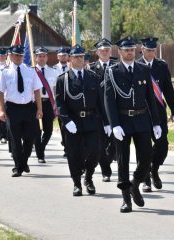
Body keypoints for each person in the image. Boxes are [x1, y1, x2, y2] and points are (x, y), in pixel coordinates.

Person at [104, 36, 162, 213]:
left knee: (146, 157)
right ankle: (126, 199)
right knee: (123, 161)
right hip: (122, 121)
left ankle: (135, 184)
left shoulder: (143, 69)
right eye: (126, 50)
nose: (129, 52)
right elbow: (109, 99)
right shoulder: (112, 71)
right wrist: (114, 124)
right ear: (120, 52)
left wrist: (156, 123)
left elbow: (150, 98)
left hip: (142, 119)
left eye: (131, 49)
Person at [55, 44, 108, 196]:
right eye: (76, 56)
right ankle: (77, 183)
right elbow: (60, 104)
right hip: (73, 121)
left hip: (91, 120)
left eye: (82, 56)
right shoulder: (63, 79)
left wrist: (107, 122)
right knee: (73, 154)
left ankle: (89, 177)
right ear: (70, 58)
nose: (80, 59)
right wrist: (66, 120)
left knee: (96, 151)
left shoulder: (93, 77)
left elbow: (100, 102)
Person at [137, 37, 174, 192]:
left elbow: (168, 89)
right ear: (142, 50)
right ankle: (146, 179)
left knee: (163, 146)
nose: (151, 53)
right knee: (144, 148)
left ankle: (154, 168)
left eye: (153, 50)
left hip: (159, 112)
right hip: (142, 113)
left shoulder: (161, 66)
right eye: (148, 50)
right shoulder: (136, 66)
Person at [0, 44, 43, 177]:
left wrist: (39, 108)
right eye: (16, 55)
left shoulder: (30, 71)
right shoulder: (5, 72)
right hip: (13, 108)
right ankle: (18, 167)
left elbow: (37, 90)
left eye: (21, 55)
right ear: (10, 55)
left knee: (29, 138)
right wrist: (2, 110)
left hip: (28, 108)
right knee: (15, 140)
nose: (19, 57)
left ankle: (23, 161)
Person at [89, 38, 117, 182]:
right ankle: (106, 170)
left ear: (110, 51)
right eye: (102, 50)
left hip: (115, 112)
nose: (105, 52)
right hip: (98, 113)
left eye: (107, 49)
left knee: (115, 142)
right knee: (99, 144)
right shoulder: (92, 68)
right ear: (97, 52)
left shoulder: (117, 66)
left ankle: (108, 160)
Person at [34, 47, 58, 163]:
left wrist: (56, 105)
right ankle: (40, 155)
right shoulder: (32, 71)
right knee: (37, 130)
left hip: (48, 103)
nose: (42, 58)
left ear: (47, 57)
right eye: (40, 56)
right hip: (35, 103)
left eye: (44, 56)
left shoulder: (53, 71)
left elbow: (54, 90)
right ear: (36, 58)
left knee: (48, 130)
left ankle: (41, 148)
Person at [54, 46, 70, 157]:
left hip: (71, 100)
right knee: (62, 125)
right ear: (57, 56)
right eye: (61, 55)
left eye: (65, 55)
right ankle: (65, 145)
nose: (63, 56)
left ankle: (69, 147)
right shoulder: (53, 69)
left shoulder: (72, 67)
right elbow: (53, 87)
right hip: (60, 100)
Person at [0, 47, 9, 144]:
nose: (3, 57)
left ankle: (6, 135)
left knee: (6, 115)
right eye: (1, 55)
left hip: (7, 93)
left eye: (4, 55)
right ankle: (1, 135)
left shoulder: (9, 66)